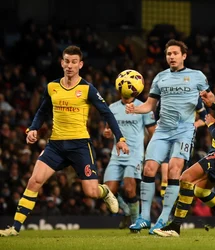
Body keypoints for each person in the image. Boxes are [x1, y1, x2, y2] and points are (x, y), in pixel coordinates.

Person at [0, 45, 129, 237]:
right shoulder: (52, 87)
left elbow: (107, 114)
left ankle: (105, 192)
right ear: (62, 63)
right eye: (67, 61)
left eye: (74, 62)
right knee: (34, 181)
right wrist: (33, 128)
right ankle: (15, 228)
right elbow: (42, 111)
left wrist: (120, 139)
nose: (70, 65)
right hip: (56, 146)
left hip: (80, 146)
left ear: (80, 64)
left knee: (91, 192)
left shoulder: (87, 89)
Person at [153, 58, 215, 238]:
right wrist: (213, 106)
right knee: (201, 191)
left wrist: (211, 122)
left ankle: (175, 226)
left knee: (186, 178)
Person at [126, 39, 215, 234]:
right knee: (149, 169)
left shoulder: (196, 76)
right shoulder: (160, 78)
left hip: (184, 131)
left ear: (184, 56)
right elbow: (150, 105)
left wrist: (209, 99)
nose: (171, 57)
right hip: (162, 130)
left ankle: (163, 219)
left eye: (175, 53)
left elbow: (211, 99)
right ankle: (144, 218)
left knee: (174, 171)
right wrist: (135, 109)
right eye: (169, 54)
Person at [102, 91, 156, 228]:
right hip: (117, 155)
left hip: (135, 154)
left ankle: (135, 222)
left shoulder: (143, 107)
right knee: (107, 191)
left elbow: (153, 132)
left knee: (129, 188)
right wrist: (107, 132)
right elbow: (107, 129)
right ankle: (126, 211)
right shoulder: (112, 107)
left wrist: (151, 153)